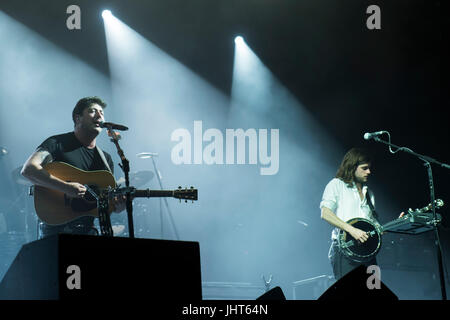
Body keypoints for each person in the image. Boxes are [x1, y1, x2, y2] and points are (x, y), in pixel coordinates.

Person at [21, 96, 125, 238]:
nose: (99, 115)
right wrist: (66, 187)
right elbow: (29, 170)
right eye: (93, 111)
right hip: (55, 230)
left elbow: (103, 200)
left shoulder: (105, 159)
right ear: (78, 118)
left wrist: (118, 206)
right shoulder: (56, 143)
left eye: (101, 112)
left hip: (89, 230)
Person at [320, 148, 403, 280]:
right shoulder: (336, 185)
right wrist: (352, 230)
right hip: (345, 252)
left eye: (369, 168)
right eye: (364, 168)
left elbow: (375, 227)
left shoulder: (369, 193)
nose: (369, 172)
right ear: (352, 167)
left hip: (368, 253)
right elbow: (325, 213)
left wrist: (396, 224)